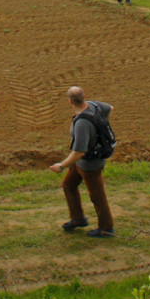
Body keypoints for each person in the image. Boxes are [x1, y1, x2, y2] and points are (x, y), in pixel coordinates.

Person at [49, 87, 115, 237]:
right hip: (81, 164)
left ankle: (106, 228)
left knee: (97, 196)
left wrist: (61, 166)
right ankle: (78, 219)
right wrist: (100, 129)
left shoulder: (82, 124)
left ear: (70, 101)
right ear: (84, 96)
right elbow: (109, 108)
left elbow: (79, 152)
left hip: (90, 165)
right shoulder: (94, 106)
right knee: (68, 185)